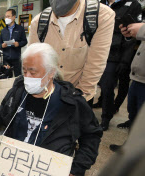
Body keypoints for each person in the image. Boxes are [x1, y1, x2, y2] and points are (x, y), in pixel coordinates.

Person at [0, 43, 102, 176]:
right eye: (24, 71)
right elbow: (2, 112)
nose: (27, 77)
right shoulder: (18, 91)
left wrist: (79, 167)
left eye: (33, 72)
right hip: (12, 164)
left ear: (51, 72)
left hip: (46, 174)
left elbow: (92, 135)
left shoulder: (71, 102)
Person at [28, 0, 115, 106]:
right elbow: (32, 63)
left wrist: (78, 98)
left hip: (78, 93)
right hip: (46, 94)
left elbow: (95, 63)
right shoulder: (39, 22)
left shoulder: (100, 16)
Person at [93, 0, 142, 131]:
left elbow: (132, 35)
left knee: (108, 86)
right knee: (92, 83)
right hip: (97, 49)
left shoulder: (132, 4)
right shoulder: (100, 3)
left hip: (116, 53)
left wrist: (125, 60)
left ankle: (106, 118)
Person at [110, 21, 145, 151]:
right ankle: (131, 146)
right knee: (134, 114)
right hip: (138, 77)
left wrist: (142, 30)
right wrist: (132, 34)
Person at [0, 8, 27, 77]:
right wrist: (1, 45)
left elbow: (25, 41)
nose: (6, 18)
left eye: (8, 16)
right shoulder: (3, 31)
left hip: (16, 57)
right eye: (6, 16)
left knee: (18, 77)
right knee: (7, 77)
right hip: (6, 58)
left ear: (14, 17)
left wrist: (19, 44)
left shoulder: (20, 29)